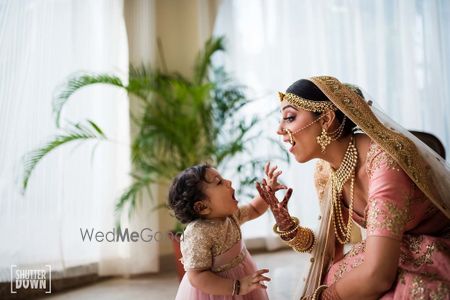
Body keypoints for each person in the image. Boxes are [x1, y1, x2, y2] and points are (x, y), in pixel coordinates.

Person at [256, 76, 450, 299]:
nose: (279, 129)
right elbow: (328, 252)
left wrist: (325, 297)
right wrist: (288, 226)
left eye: (289, 117)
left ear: (326, 119)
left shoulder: (384, 163)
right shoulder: (326, 171)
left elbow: (378, 275)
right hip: (397, 252)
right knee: (340, 274)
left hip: (436, 250)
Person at [168, 162, 287, 299]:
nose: (229, 182)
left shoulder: (230, 216)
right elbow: (197, 276)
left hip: (242, 275)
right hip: (218, 290)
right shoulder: (197, 234)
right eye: (219, 182)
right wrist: (237, 286)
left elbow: (254, 209)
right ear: (202, 207)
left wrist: (267, 192)